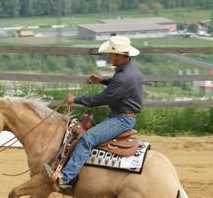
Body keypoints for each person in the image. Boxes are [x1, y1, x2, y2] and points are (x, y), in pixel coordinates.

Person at [45, 35, 143, 189]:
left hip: (121, 120)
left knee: (88, 139)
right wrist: (102, 80)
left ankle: (66, 178)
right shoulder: (130, 70)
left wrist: (76, 100)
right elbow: (117, 85)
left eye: (111, 53)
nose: (109, 56)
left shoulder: (124, 76)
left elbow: (102, 98)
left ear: (118, 55)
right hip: (121, 116)